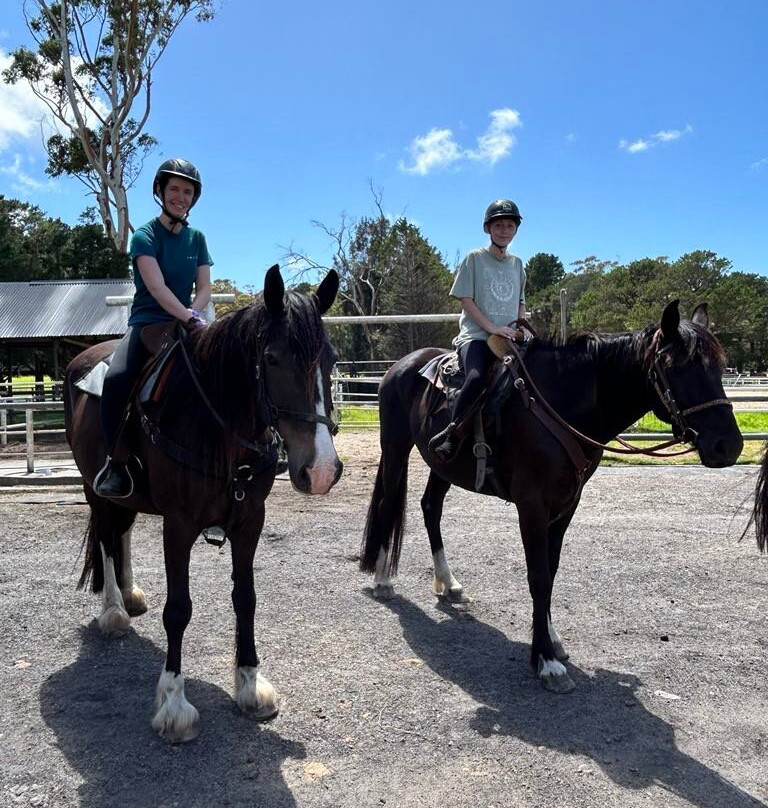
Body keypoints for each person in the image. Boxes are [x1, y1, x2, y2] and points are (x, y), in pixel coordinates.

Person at [93, 158, 213, 497]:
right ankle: (115, 464)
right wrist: (187, 316)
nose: (180, 196)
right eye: (174, 188)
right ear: (160, 191)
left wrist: (194, 313)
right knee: (117, 379)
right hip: (147, 322)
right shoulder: (144, 236)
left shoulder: (198, 238)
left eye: (187, 191)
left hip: (189, 320)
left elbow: (203, 286)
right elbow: (157, 288)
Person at [428, 198, 527, 461]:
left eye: (509, 225)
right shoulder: (474, 259)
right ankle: (452, 434)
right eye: (498, 225)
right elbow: (465, 300)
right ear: (488, 229)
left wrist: (521, 327)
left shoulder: (517, 264)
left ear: (515, 229)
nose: (504, 230)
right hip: (477, 337)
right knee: (474, 378)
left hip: (509, 337)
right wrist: (492, 327)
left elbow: (520, 303)